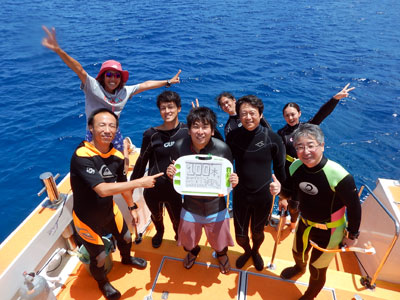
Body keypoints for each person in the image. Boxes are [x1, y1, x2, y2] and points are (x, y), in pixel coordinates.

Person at [70, 108, 163, 300]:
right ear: (91, 128)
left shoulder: (118, 157)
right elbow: (102, 189)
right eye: (102, 125)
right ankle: (103, 283)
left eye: (112, 126)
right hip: (86, 218)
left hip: (109, 211)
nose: (107, 129)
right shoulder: (82, 155)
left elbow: (122, 186)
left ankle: (127, 259)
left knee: (127, 238)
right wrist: (140, 182)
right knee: (99, 257)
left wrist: (132, 207)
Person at [41, 26, 181, 152]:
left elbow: (145, 85)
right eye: (109, 75)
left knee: (118, 161)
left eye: (116, 75)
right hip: (95, 133)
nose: (113, 79)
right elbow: (79, 70)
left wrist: (168, 82)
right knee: (96, 163)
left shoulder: (124, 92)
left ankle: (124, 149)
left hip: (114, 131)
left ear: (120, 78)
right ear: (102, 76)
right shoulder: (92, 86)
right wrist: (59, 51)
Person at [278, 123, 361, 300]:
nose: (305, 151)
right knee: (297, 253)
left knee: (316, 268)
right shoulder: (296, 167)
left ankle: (309, 295)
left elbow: (354, 207)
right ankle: (298, 268)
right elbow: (292, 191)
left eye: (311, 145)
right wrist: (280, 191)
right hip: (305, 223)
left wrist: (352, 235)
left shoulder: (339, 175)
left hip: (330, 231)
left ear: (322, 145)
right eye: (300, 147)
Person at [166, 107, 238, 274]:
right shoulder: (178, 147)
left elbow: (226, 178)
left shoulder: (223, 149)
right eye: (196, 126)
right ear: (189, 130)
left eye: (205, 127)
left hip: (216, 208)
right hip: (190, 207)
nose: (200, 131)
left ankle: (221, 255)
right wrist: (171, 175)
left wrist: (233, 180)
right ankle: (193, 252)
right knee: (188, 243)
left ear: (212, 131)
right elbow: (177, 181)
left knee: (221, 243)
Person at [277, 84, 355, 231]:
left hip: (303, 170)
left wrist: (335, 99)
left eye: (293, 114)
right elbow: (279, 156)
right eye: (287, 115)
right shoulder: (281, 132)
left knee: (296, 203)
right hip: (289, 171)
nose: (290, 117)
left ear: (299, 113)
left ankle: (294, 224)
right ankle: (286, 218)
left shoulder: (307, 127)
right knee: (285, 200)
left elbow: (322, 114)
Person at [226, 95, 285, 271]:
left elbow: (281, 170)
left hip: (263, 195)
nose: (248, 117)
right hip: (241, 194)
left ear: (260, 114)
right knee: (240, 235)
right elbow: (225, 164)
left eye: (252, 113)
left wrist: (283, 194)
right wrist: (229, 178)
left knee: (258, 232)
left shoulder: (273, 138)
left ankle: (256, 251)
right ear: (238, 116)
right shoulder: (233, 137)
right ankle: (246, 251)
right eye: (243, 113)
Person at [130, 91, 188, 248]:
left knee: (177, 219)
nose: (167, 111)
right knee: (156, 216)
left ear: (179, 109)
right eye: (163, 108)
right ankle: (159, 232)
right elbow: (141, 162)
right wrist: (130, 186)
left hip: (175, 189)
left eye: (171, 107)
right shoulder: (151, 134)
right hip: (153, 188)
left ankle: (177, 233)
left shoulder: (187, 131)